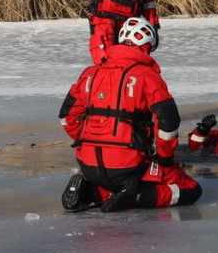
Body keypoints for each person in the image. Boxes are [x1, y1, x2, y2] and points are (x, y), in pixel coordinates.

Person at [59, 17, 202, 212]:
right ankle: (137, 196)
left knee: (113, 180)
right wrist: (164, 157)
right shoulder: (147, 76)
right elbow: (169, 122)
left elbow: (67, 118)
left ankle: (91, 190)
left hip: (88, 164)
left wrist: (88, 140)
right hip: (129, 165)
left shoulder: (89, 73)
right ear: (146, 47)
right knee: (191, 189)